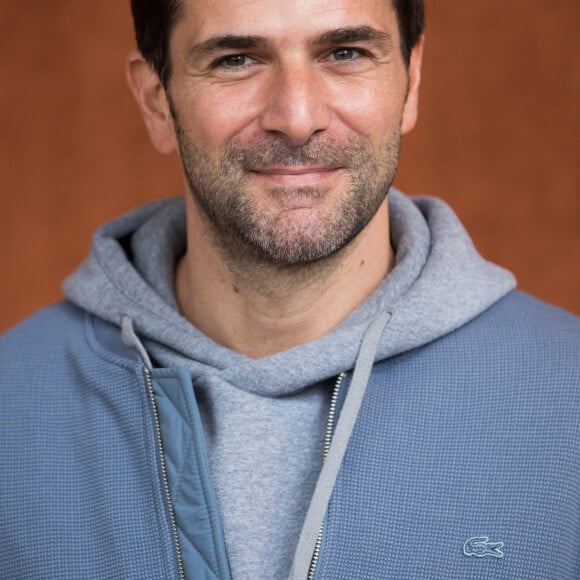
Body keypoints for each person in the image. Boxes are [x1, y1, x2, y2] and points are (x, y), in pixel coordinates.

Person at [1, 0, 578, 578]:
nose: (297, 117)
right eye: (237, 60)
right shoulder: (13, 403)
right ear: (156, 100)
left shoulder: (566, 394)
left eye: (345, 53)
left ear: (412, 79)